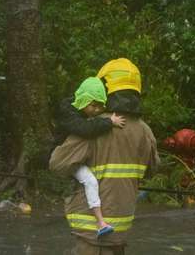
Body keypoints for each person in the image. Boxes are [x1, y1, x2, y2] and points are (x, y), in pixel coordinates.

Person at [49, 58, 158, 255]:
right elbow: (151, 170)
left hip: (92, 234)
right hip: (121, 230)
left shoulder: (93, 127)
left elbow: (57, 164)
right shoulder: (145, 132)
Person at [55, 77, 127, 237]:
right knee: (90, 180)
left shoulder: (79, 109)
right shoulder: (68, 113)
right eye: (93, 106)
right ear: (83, 100)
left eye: (100, 106)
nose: (97, 110)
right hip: (67, 157)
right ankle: (101, 223)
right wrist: (109, 122)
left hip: (80, 156)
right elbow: (85, 129)